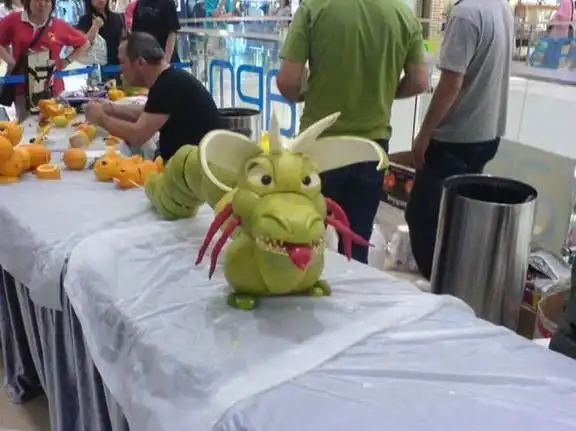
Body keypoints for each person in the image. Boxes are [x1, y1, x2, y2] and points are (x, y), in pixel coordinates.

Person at [277, 0, 428, 264]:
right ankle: (353, 285)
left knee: (306, 238)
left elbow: (287, 81)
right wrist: (385, 92)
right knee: (357, 241)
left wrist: (305, 93)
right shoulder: (402, 14)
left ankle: (309, 285)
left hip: (319, 146)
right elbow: (419, 81)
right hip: (371, 148)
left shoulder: (314, 8)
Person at [405, 0, 514, 280]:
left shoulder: (466, 15)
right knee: (458, 220)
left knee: (423, 215)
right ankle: (457, 283)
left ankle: (439, 286)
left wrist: (425, 133)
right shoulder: (499, 7)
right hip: (486, 134)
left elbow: (451, 83)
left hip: (457, 139)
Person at [83, 32, 222, 162]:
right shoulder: (170, 79)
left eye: (122, 62)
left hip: (196, 170)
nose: (121, 69)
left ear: (140, 63)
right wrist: (110, 108)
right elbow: (148, 112)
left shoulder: (168, 85)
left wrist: (101, 118)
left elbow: (137, 135)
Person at [0, 0, 88, 120]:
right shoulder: (15, 20)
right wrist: (10, 61)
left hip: (52, 88)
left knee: (54, 123)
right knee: (26, 125)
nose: (42, 4)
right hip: (22, 88)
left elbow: (84, 43)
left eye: (47, 1)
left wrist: (66, 61)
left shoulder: (59, 25)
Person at [77, 0, 126, 82]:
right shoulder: (85, 20)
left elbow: (123, 41)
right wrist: (95, 27)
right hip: (97, 68)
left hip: (117, 65)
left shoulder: (118, 17)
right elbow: (82, 45)